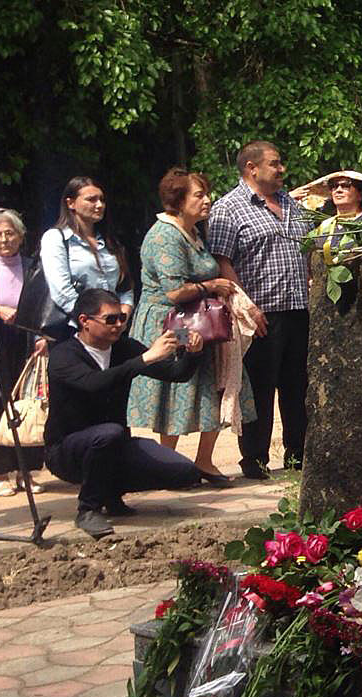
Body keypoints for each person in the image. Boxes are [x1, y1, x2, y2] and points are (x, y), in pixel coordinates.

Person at [46, 289, 214, 538]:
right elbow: (94, 383)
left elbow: (175, 373)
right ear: (85, 321)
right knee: (108, 434)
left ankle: (111, 494)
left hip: (114, 444)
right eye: (110, 319)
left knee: (185, 472)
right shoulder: (63, 354)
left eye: (122, 318)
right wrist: (144, 359)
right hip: (67, 451)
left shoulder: (123, 347)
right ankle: (88, 509)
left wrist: (193, 352)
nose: (118, 325)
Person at [127, 169, 255, 482]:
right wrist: (211, 286)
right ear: (178, 200)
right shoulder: (165, 236)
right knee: (177, 387)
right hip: (171, 324)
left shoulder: (192, 232)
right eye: (199, 195)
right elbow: (174, 292)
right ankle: (167, 465)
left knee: (214, 383)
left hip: (201, 320)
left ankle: (204, 461)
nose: (207, 200)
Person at [205, 139, 304, 481]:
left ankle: (297, 456)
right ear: (252, 168)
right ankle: (255, 459)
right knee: (260, 388)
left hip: (298, 308)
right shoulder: (228, 208)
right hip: (260, 313)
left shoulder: (290, 202)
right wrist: (246, 308)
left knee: (297, 387)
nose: (281, 169)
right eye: (275, 163)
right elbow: (222, 261)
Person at [0, 208, 46, 496]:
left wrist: (42, 336)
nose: (4, 239)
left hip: (26, 339)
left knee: (28, 403)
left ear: (20, 237)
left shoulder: (32, 266)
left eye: (9, 233)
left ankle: (26, 471)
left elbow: (43, 303)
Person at [41, 176, 134, 336]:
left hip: (114, 328)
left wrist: (121, 316)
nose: (99, 205)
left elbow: (124, 287)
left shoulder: (110, 241)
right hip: (75, 330)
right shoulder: (56, 238)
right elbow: (61, 291)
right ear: (71, 203)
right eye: (91, 200)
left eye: (102, 200)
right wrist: (94, 321)